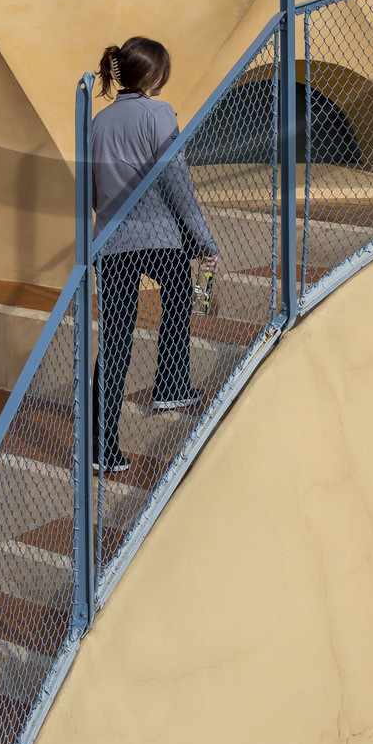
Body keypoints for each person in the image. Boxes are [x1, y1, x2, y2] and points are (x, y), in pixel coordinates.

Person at [89, 35, 219, 480]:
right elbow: (177, 181)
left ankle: (102, 447)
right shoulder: (159, 114)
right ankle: (171, 384)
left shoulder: (98, 121)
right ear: (154, 74)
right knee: (179, 295)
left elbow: (92, 194)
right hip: (159, 236)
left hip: (110, 243)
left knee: (115, 342)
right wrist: (205, 241)